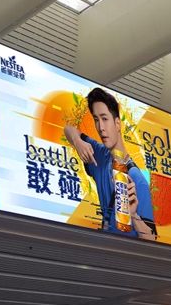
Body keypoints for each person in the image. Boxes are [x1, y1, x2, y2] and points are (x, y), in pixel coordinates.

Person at [64, 87, 156, 241]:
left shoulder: (136, 179)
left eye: (105, 119)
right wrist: (78, 142)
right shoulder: (100, 155)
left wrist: (133, 215)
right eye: (96, 120)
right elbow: (69, 129)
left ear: (117, 124)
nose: (100, 128)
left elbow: (151, 239)